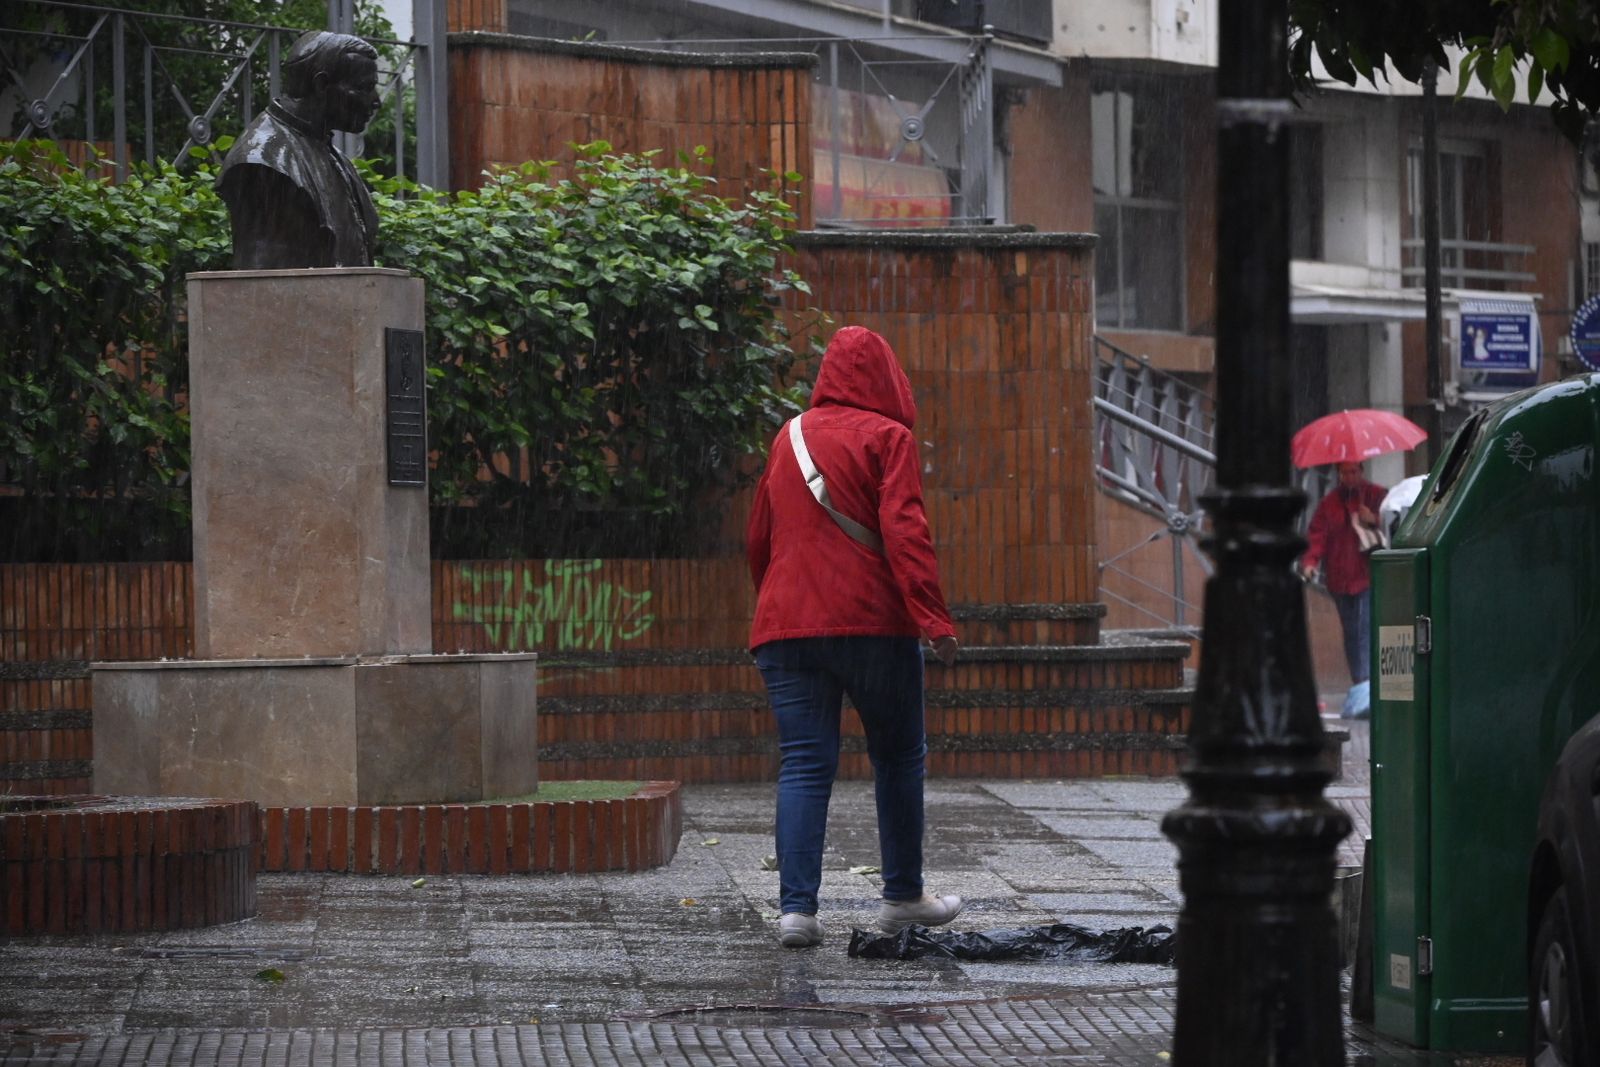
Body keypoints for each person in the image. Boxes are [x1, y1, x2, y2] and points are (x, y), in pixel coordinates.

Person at [746, 325, 963, 949]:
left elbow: (759, 538)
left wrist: (782, 606)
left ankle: (797, 912)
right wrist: (933, 619)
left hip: (787, 626)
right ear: (888, 377)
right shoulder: (889, 438)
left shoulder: (788, 436)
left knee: (804, 763)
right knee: (897, 757)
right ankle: (901, 897)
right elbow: (906, 534)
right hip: (871, 625)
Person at [216, 31, 381, 270]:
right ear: (321, 84)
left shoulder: (333, 156)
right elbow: (266, 282)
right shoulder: (262, 160)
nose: (376, 101)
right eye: (364, 87)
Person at [1298, 460, 1388, 717]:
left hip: (1367, 576)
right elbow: (1317, 536)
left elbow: (1395, 523)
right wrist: (1310, 563)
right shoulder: (1329, 504)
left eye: (1353, 472)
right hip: (1339, 580)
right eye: (1344, 473)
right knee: (1351, 633)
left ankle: (1365, 686)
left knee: (1363, 630)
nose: (1349, 477)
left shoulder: (1376, 495)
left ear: (1361, 471)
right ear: (1338, 475)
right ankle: (1361, 685)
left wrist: (1374, 519)